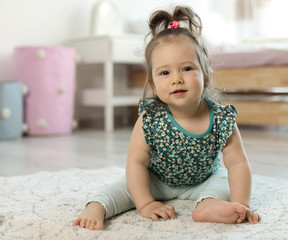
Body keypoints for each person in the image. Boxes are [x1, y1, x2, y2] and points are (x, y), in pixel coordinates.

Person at [73, 5, 261, 230]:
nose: (177, 79)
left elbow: (238, 163)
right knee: (126, 185)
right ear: (152, 83)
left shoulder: (221, 119)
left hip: (203, 181)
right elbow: (136, 162)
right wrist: (146, 203)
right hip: (156, 181)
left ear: (207, 76)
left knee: (223, 180)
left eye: (187, 69)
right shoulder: (150, 119)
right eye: (165, 72)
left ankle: (209, 205)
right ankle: (97, 206)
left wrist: (242, 204)